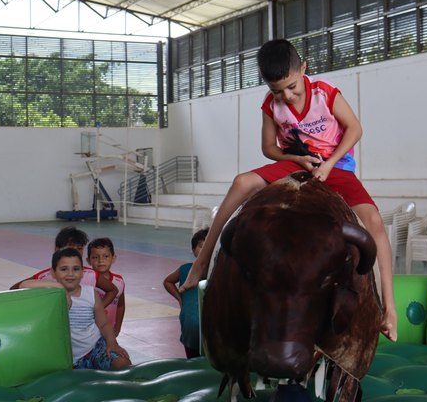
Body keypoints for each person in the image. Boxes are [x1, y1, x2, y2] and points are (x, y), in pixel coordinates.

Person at [180, 39, 398, 341]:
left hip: (335, 166)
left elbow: (355, 129)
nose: (286, 95)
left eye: (292, 87)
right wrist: (296, 159)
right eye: (277, 90)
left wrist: (328, 164)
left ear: (303, 69)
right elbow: (268, 148)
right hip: (296, 163)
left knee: (374, 222)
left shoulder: (325, 93)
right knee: (241, 182)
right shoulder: (271, 105)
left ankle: (389, 308)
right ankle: (202, 261)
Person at [20, 247, 131, 370]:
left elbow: (104, 324)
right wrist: (60, 288)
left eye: (76, 269)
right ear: (53, 272)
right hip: (66, 358)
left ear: (83, 272)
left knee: (122, 363)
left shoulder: (90, 294)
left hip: (94, 348)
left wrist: (111, 342)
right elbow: (23, 285)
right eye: (64, 269)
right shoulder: (49, 294)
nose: (70, 274)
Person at [10, 226, 118, 307]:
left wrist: (97, 310)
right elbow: (14, 289)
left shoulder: (91, 275)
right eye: (70, 247)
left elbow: (113, 290)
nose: (75, 252)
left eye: (79, 248)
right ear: (57, 249)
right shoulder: (46, 276)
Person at [163, 228, 207, 358]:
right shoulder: (185, 269)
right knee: (192, 358)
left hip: (209, 327)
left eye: (208, 247)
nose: (204, 251)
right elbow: (168, 281)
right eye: (201, 246)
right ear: (193, 250)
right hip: (189, 326)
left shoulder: (216, 271)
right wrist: (180, 298)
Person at [87, 237, 126, 336]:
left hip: (109, 332)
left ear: (113, 258)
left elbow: (121, 306)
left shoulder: (119, 281)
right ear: (88, 260)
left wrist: (118, 327)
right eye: (95, 257)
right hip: (89, 332)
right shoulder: (86, 281)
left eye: (106, 256)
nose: (101, 260)